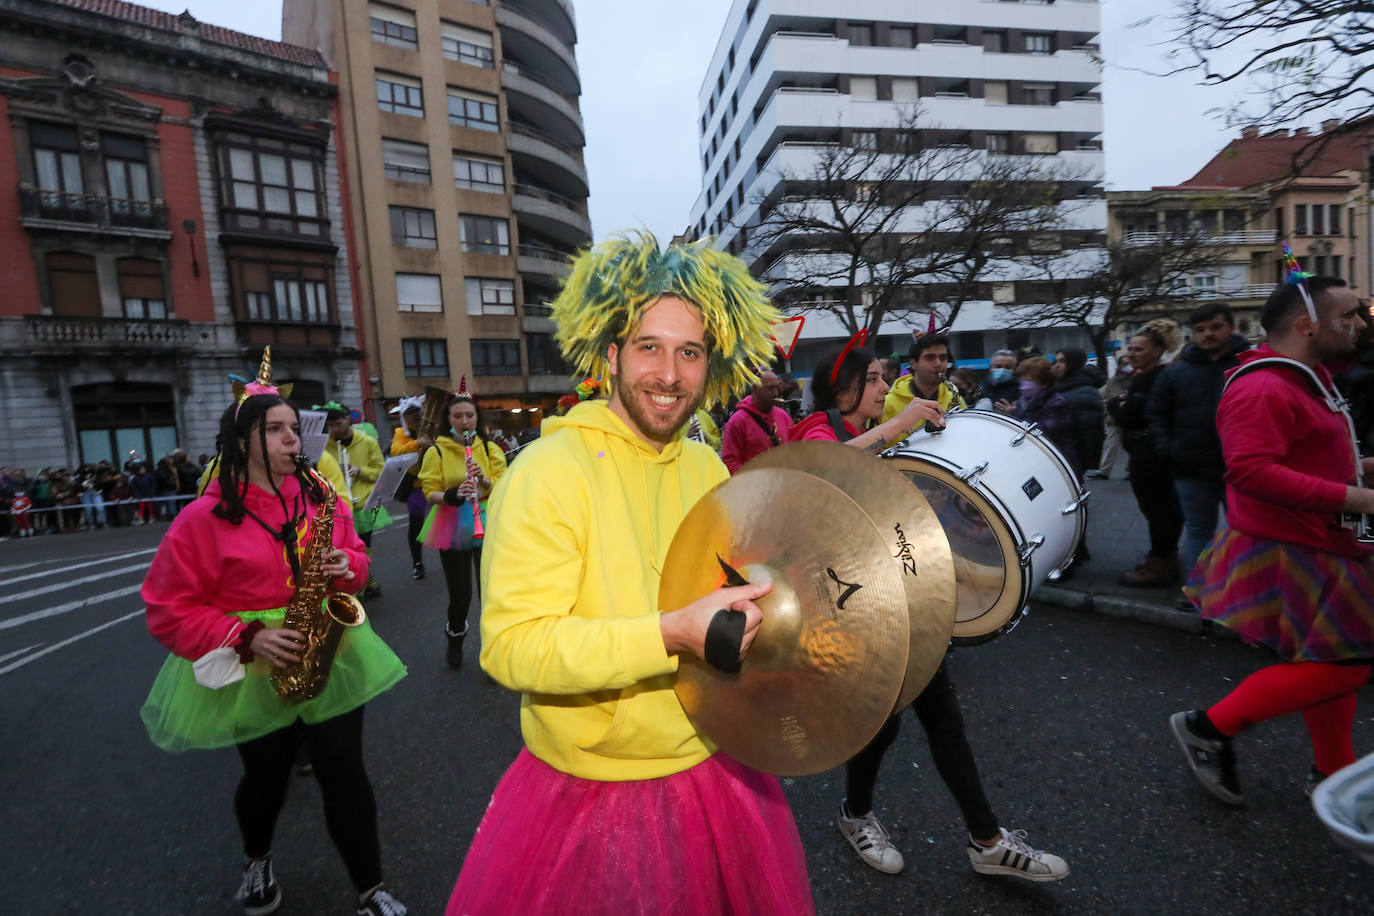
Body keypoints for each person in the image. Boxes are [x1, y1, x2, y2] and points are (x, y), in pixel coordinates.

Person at [447, 233, 814, 915]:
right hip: (589, 789)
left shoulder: (707, 469)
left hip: (716, 765)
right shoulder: (547, 473)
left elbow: (718, 599)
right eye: (649, 346)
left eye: (690, 352)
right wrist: (671, 634)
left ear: (712, 366)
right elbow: (512, 647)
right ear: (612, 355)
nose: (669, 374)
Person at [791, 341, 1070, 883]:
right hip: (847, 601)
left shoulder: (876, 431)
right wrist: (901, 425)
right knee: (896, 723)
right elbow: (829, 466)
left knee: (932, 721)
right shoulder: (817, 429)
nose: (880, 388)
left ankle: (980, 837)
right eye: (871, 379)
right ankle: (870, 818)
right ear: (841, 387)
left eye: (881, 378)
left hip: (899, 591)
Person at [138, 366, 408, 916]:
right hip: (255, 659)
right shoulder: (200, 519)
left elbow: (357, 561)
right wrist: (247, 636)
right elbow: (168, 608)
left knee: (345, 772)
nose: (295, 439)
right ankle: (256, 858)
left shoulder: (320, 498)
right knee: (266, 777)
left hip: (328, 650)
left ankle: (370, 888)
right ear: (243, 442)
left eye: (295, 428)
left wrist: (347, 565)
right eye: (279, 430)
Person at [1170, 276, 1374, 806]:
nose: (1360, 324)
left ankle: (1332, 771)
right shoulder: (1263, 386)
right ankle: (1209, 727)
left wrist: (1363, 471)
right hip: (1290, 548)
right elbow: (1251, 472)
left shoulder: (1308, 376)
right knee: (1348, 661)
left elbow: (1308, 457)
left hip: (1319, 541)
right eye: (1349, 315)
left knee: (1332, 660)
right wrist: (1363, 500)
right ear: (1308, 325)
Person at [1147, 303, 1250, 587]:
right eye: (1200, 329)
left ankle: (1241, 596)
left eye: (1216, 327)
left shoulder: (1249, 365)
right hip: (1191, 468)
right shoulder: (1177, 372)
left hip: (1242, 468)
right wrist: (1169, 451)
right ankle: (1196, 593)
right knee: (1198, 531)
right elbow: (1156, 414)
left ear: (1231, 327)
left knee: (1246, 532)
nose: (1208, 334)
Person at [418, 384, 506, 668]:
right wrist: (451, 495)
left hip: (487, 518)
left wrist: (484, 481)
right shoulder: (438, 452)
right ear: (449, 419)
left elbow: (504, 483)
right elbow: (429, 491)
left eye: (469, 415)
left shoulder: (490, 448)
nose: (465, 421)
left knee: (490, 593)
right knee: (461, 596)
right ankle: (455, 636)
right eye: (458, 416)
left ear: (477, 417)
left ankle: (492, 653)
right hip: (453, 521)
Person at [1109, 321, 1184, 587]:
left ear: (1157, 350)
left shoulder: (1157, 378)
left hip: (1151, 454)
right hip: (1145, 451)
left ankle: (1159, 563)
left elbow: (1128, 413)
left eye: (1138, 349)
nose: (1131, 353)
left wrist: (1118, 406)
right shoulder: (1144, 377)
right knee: (1162, 509)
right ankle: (1166, 558)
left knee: (1159, 510)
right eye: (1130, 348)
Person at [323, 403, 388, 599]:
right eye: (330, 425)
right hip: (338, 504)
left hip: (363, 503)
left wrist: (360, 471)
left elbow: (381, 471)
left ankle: (363, 584)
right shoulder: (326, 445)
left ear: (349, 420)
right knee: (343, 548)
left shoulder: (367, 442)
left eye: (338, 423)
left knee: (363, 547)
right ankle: (368, 583)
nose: (334, 429)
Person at [883, 333, 966, 442]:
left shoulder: (957, 401)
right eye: (930, 358)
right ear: (913, 363)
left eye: (943, 358)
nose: (938, 364)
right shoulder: (887, 404)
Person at [388, 396, 434, 581]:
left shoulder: (431, 428)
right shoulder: (401, 432)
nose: (415, 415)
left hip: (436, 483)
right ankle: (417, 563)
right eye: (409, 413)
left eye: (417, 411)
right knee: (416, 526)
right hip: (416, 487)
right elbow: (395, 452)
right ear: (403, 417)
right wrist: (417, 443)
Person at [720, 369, 792, 472]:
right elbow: (730, 462)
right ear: (755, 388)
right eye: (770, 388)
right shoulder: (737, 421)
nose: (775, 393)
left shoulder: (783, 416)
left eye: (777, 387)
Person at [1052, 348, 1106, 477]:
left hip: (1072, 455)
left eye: (1062, 361)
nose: (1057, 365)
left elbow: (1089, 431)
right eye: (1056, 361)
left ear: (1073, 363)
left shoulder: (1083, 390)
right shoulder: (1063, 386)